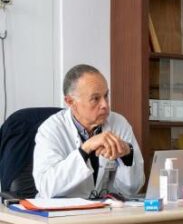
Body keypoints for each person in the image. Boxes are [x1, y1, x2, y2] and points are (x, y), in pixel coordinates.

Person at [33, 64, 144, 198]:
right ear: (70, 102)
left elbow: (132, 190)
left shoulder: (119, 123)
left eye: (106, 95)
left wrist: (127, 155)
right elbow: (47, 187)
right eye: (95, 98)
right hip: (61, 215)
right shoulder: (51, 129)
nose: (105, 105)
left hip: (104, 214)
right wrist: (85, 149)